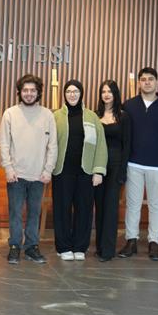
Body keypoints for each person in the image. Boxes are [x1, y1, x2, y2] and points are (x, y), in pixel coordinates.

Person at [119, 67, 158, 261]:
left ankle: (154, 242)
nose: (147, 82)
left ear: (157, 82)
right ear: (138, 82)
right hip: (133, 164)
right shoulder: (129, 106)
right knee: (133, 205)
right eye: (143, 79)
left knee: (156, 206)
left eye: (150, 79)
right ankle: (131, 241)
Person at [0, 73, 57, 265]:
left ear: (38, 92)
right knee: (15, 213)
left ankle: (32, 247)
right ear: (19, 92)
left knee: (34, 213)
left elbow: (53, 145)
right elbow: (4, 144)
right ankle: (15, 247)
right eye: (25, 90)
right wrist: (8, 168)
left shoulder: (47, 115)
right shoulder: (10, 114)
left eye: (33, 90)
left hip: (39, 175)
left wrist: (48, 170)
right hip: (16, 175)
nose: (29, 93)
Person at [51, 80, 107, 261]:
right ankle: (63, 247)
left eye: (75, 91)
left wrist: (98, 171)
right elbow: (49, 143)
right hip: (62, 171)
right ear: (64, 94)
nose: (72, 94)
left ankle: (80, 246)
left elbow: (101, 145)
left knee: (84, 209)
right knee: (62, 210)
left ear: (81, 93)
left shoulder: (92, 117)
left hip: (86, 172)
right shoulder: (56, 116)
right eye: (69, 91)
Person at [94, 80, 130, 262]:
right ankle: (100, 247)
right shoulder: (95, 116)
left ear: (115, 94)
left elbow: (127, 145)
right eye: (103, 91)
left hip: (116, 166)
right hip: (98, 167)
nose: (106, 95)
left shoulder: (123, 116)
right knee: (99, 206)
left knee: (110, 207)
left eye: (110, 91)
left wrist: (123, 171)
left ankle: (108, 250)